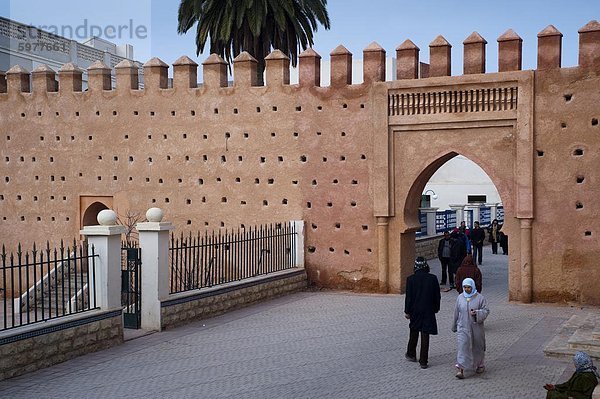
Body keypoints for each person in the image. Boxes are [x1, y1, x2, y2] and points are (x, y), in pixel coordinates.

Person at [404, 257, 441, 369]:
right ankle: (423, 361)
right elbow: (437, 296)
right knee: (425, 334)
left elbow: (409, 297)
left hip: (415, 310)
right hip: (428, 310)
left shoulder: (410, 279)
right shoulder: (432, 278)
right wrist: (436, 308)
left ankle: (411, 354)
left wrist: (407, 311)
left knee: (414, 332)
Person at [452, 277, 489, 379]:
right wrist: (454, 325)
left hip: (476, 327)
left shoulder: (480, 298)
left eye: (468, 287)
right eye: (465, 287)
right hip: (463, 327)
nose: (467, 289)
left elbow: (486, 311)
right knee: (462, 346)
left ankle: (479, 365)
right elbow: (456, 312)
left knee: (478, 346)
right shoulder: (460, 297)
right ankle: (461, 369)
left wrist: (477, 313)